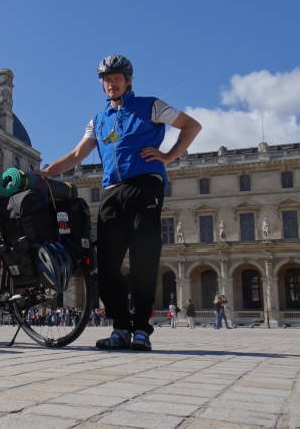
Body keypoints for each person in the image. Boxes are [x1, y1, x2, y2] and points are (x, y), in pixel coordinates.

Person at [35, 55, 202, 351]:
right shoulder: (98, 120)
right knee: (106, 264)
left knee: (143, 261)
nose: (111, 83)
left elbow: (191, 126)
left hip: (144, 186)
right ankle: (120, 327)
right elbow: (76, 156)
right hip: (111, 190)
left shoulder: (151, 106)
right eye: (106, 79)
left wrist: (168, 156)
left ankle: (141, 330)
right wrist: (47, 172)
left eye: (116, 78)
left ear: (128, 80)